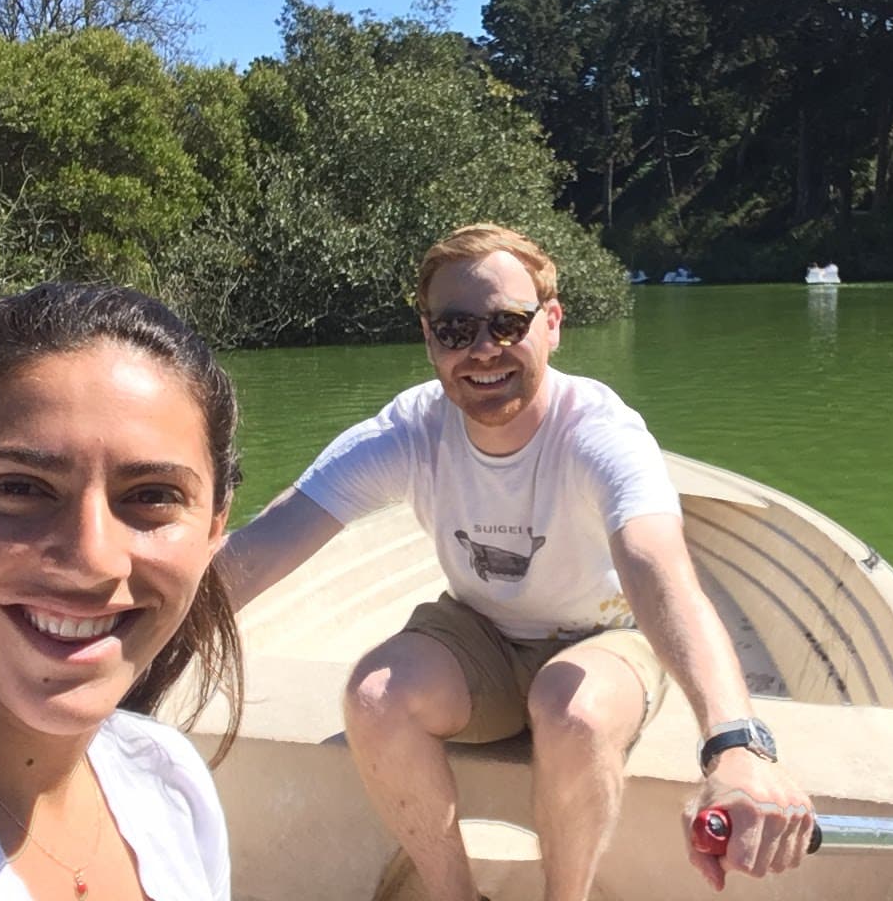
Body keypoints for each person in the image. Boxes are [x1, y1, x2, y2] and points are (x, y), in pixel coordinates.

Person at [219, 223, 814, 901]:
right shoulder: (411, 431)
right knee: (376, 697)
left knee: (573, 711)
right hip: (482, 635)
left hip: (606, 636)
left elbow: (662, 572)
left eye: (507, 324)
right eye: (455, 328)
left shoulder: (598, 431)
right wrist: (128, 641)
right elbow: (265, 544)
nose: (482, 351)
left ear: (551, 324)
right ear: (428, 336)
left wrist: (735, 744)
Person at [0, 282, 244, 899]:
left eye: (151, 496)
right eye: (18, 487)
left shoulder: (168, 782)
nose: (92, 559)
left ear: (214, 532)